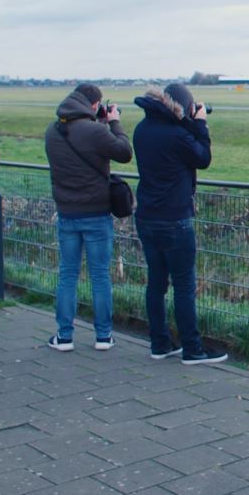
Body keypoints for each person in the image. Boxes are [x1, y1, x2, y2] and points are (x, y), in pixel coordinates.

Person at [132, 84, 226, 364]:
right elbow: (203, 158)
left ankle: (160, 343)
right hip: (174, 220)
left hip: (146, 216)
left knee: (156, 284)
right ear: (183, 108)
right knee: (184, 286)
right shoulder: (177, 135)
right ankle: (192, 348)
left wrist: (188, 121)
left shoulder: (142, 129)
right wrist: (200, 125)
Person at [43, 83, 132, 352]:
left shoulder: (52, 131)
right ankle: (103, 336)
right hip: (96, 213)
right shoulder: (94, 131)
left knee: (68, 274)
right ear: (95, 105)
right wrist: (113, 123)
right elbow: (124, 152)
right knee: (100, 276)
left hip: (67, 213)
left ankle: (64, 336)